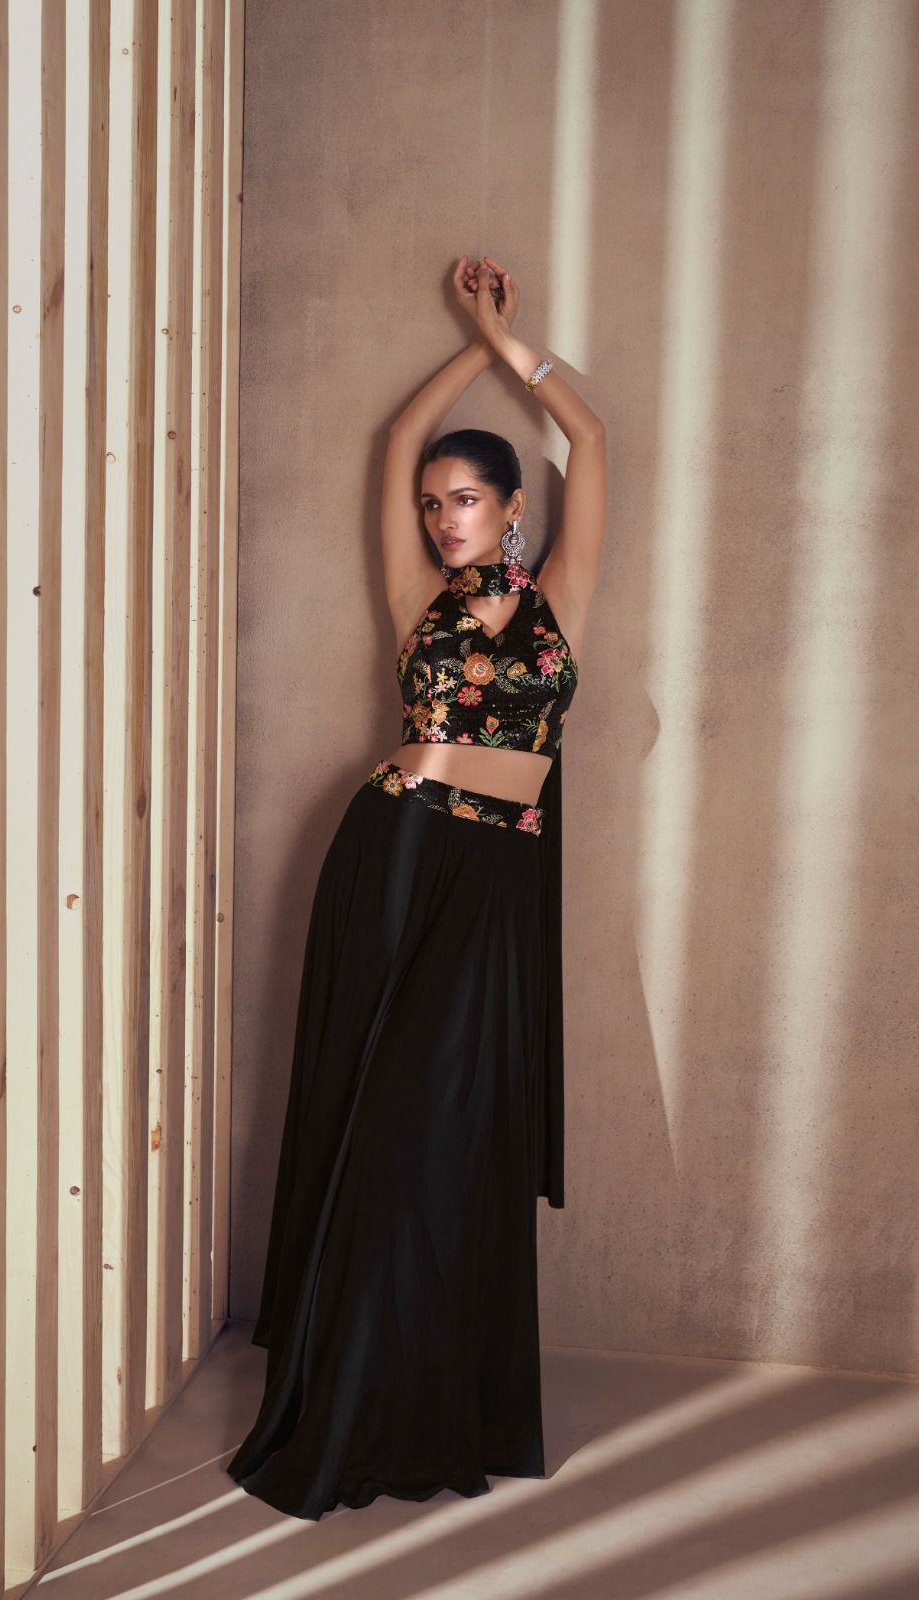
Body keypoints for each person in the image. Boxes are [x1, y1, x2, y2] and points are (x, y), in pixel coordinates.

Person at [225, 254, 607, 1519]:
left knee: (457, 1127)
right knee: (384, 1117)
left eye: (466, 500)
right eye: (434, 504)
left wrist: (504, 343)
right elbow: (396, 438)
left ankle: (436, 1378)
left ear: (512, 507)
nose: (444, 519)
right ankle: (351, 1384)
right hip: (391, 853)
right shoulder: (415, 603)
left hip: (493, 879)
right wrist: (464, 344)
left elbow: (593, 437)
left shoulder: (560, 603)